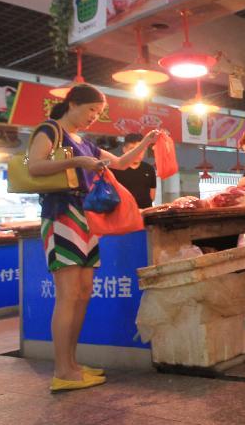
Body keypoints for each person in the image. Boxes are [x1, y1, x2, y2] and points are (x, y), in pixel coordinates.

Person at [26, 84, 161, 391]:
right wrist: (75, 162)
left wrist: (147, 143)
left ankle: (72, 364)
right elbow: (33, 166)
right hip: (60, 216)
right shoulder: (49, 130)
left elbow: (122, 162)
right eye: (90, 110)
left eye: (98, 113)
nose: (93, 117)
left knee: (84, 291)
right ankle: (62, 370)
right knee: (68, 294)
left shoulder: (84, 142)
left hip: (86, 219)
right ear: (72, 103)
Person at [112, 133, 157, 209]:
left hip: (144, 214)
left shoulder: (149, 169)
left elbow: (152, 196)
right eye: (132, 149)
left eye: (141, 149)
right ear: (124, 149)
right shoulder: (114, 168)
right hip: (122, 213)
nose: (137, 153)